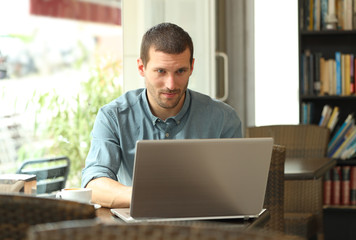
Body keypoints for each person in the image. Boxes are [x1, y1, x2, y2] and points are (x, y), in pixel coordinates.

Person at [81, 22, 242, 208]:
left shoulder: (224, 118)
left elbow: (236, 187)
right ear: (141, 68)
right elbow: (94, 183)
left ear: (192, 67)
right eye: (161, 71)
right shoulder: (113, 116)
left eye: (180, 71)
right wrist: (151, 195)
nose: (171, 84)